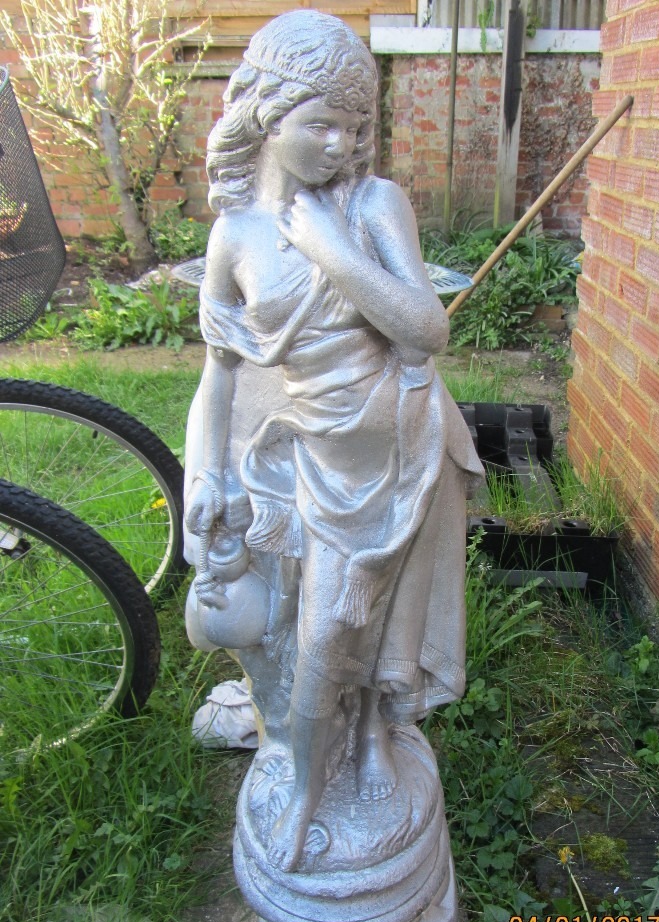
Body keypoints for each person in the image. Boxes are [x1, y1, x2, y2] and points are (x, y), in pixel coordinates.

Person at [185, 10, 483, 872]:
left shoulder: (373, 204)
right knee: (306, 636)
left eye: (356, 126)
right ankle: (309, 776)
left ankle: (367, 749)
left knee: (359, 634)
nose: (341, 143)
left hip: (400, 463)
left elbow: (425, 330)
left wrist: (332, 249)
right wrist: (206, 468)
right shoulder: (235, 238)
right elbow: (220, 375)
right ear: (266, 118)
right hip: (309, 460)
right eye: (320, 123)